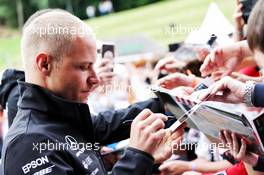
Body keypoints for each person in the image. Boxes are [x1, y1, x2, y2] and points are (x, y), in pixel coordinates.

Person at [1, 10, 185, 175]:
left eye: (93, 66)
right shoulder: (28, 143)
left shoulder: (63, 117)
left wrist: (171, 102)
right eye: (83, 67)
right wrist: (138, 157)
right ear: (45, 64)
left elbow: (108, 124)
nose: (96, 79)